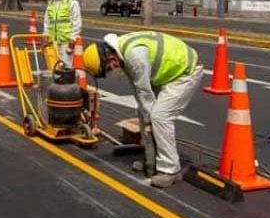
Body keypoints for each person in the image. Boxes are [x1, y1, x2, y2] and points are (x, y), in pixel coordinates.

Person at [82, 31, 202, 188]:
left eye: (108, 68)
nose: (112, 70)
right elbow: (139, 91)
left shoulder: (134, 56)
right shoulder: (122, 54)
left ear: (110, 58)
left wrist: (148, 123)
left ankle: (170, 170)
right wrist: (146, 121)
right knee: (144, 113)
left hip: (186, 72)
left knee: (159, 116)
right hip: (167, 74)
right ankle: (151, 158)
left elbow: (145, 94)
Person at [44, 0, 82, 67]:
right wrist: (45, 37)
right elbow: (47, 23)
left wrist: (72, 41)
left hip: (66, 42)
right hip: (52, 42)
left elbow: (77, 23)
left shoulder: (72, 3)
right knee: (53, 68)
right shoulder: (51, 4)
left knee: (65, 68)